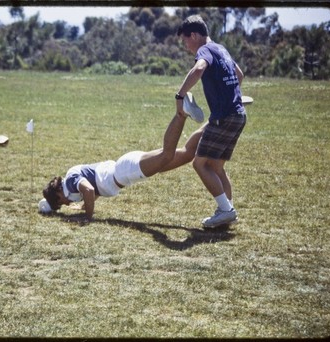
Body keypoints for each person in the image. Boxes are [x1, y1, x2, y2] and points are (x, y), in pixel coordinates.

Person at [41, 94, 204, 223]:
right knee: (187, 154)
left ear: (58, 192)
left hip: (126, 171)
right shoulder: (72, 177)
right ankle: (215, 122)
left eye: (60, 202)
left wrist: (88, 217)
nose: (66, 204)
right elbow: (94, 186)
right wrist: (84, 206)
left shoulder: (70, 181)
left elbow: (89, 190)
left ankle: (181, 112)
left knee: (167, 155)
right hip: (125, 168)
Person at [175, 15, 247, 228]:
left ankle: (225, 210)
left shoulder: (203, 51)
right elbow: (239, 74)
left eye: (185, 41)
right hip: (238, 114)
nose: (186, 46)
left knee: (200, 163)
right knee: (216, 166)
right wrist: (230, 94)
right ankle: (227, 212)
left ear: (194, 35)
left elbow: (198, 69)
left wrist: (180, 95)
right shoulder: (220, 48)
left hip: (224, 117)